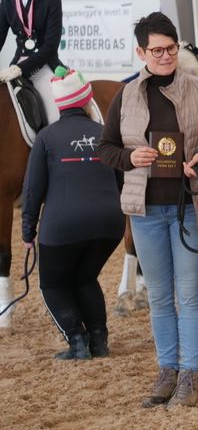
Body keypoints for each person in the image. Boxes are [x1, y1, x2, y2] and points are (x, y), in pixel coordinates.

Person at [98, 11, 198, 409]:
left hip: (191, 207)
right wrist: (129, 156)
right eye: (157, 50)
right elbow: (105, 148)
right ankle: (167, 369)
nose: (165, 56)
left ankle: (190, 374)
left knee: (189, 295)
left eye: (171, 48)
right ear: (140, 52)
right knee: (158, 296)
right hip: (144, 211)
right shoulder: (126, 96)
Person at [21, 67, 125, 360]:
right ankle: (99, 341)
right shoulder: (106, 133)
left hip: (63, 226)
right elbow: (120, 182)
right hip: (110, 224)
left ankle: (77, 341)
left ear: (59, 104)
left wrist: (28, 231)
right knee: (85, 278)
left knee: (53, 284)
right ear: (86, 100)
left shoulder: (46, 137)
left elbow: (32, 190)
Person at [0, 0, 63, 125]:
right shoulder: (6, 4)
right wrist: (15, 68)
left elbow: (51, 46)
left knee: (54, 117)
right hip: (14, 68)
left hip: (45, 66)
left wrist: (22, 69)